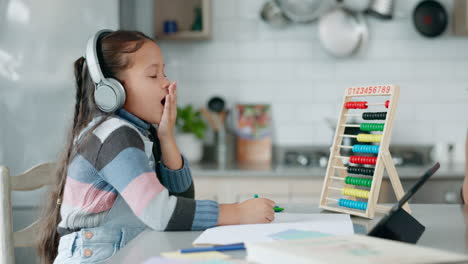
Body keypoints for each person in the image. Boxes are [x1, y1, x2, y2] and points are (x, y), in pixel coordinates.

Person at [36, 30, 276, 264]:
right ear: (113, 90)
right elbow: (162, 214)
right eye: (153, 75)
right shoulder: (115, 136)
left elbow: (181, 199)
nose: (166, 83)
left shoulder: (138, 134)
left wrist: (167, 137)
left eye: (164, 73)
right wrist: (239, 213)